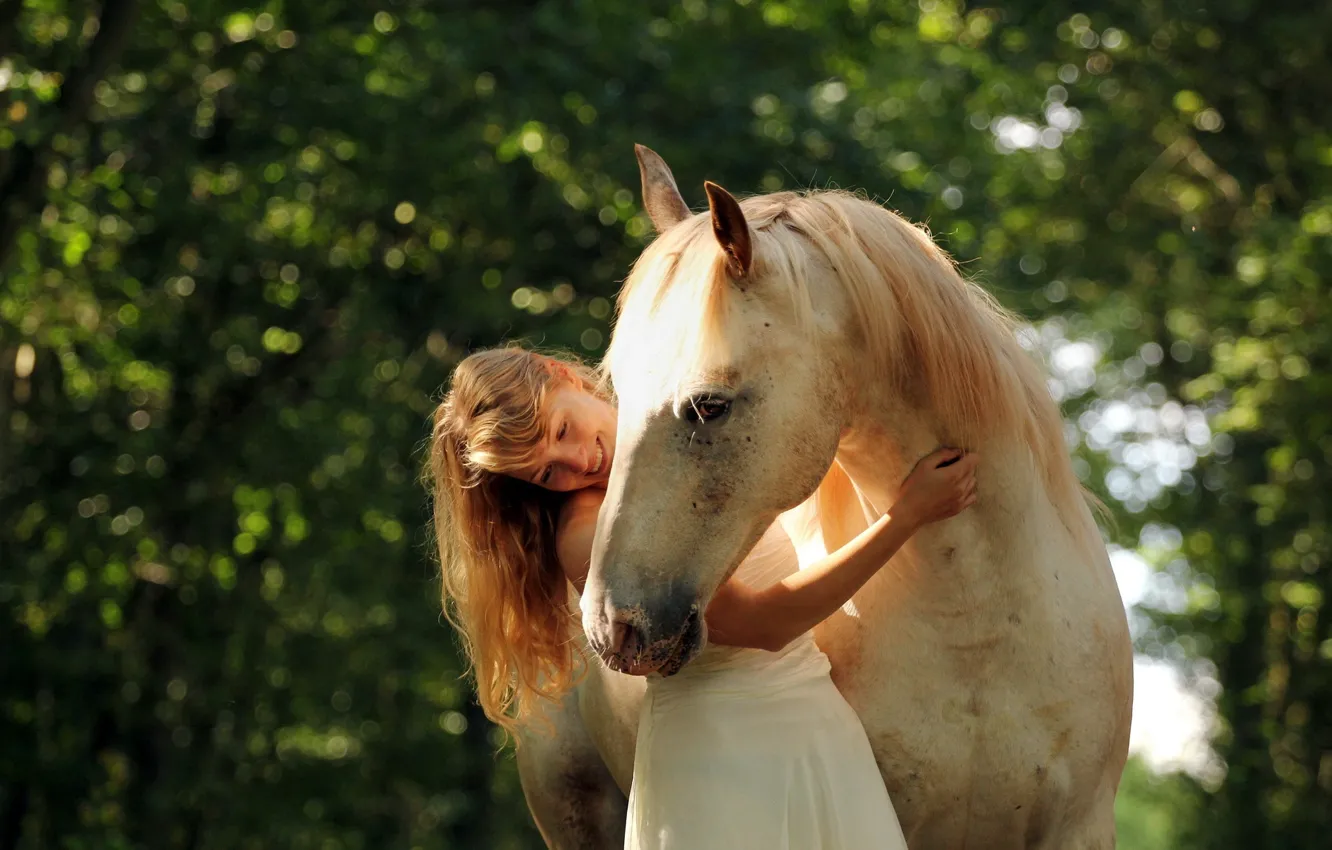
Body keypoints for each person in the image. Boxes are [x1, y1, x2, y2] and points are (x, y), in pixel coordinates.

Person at [428, 344, 979, 849]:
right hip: (726, 753)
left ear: (562, 374)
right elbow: (762, 626)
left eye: (562, 429)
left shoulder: (697, 429)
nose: (577, 462)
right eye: (547, 472)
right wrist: (906, 515)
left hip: (812, 722)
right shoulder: (590, 530)